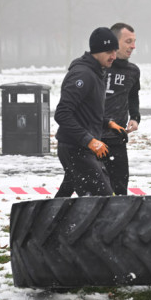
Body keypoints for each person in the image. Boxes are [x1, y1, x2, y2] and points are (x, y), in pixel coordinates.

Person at [53, 27, 118, 197]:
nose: (114, 56)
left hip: (82, 147)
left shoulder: (96, 73)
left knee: (65, 196)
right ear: (97, 51)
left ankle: (46, 222)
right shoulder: (82, 75)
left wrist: (107, 122)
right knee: (101, 199)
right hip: (76, 148)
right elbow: (62, 113)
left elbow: (85, 111)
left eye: (115, 51)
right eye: (109, 51)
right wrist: (89, 140)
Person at [101, 22, 141, 195]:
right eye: (128, 41)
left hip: (117, 139)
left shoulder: (133, 71)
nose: (133, 46)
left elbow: (132, 95)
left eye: (134, 41)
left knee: (120, 190)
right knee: (82, 186)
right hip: (92, 138)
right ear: (114, 42)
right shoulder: (97, 67)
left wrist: (135, 117)